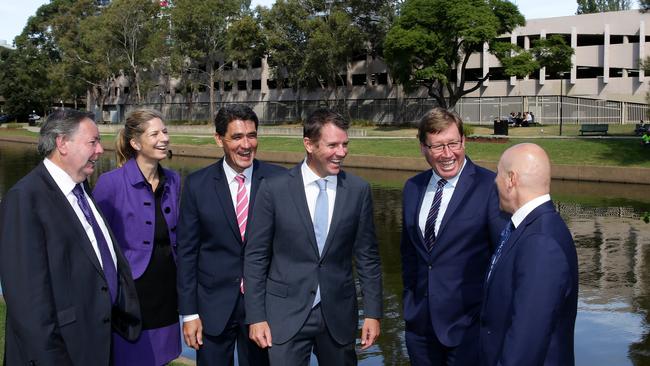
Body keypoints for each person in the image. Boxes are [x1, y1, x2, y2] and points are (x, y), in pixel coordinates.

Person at [0, 109, 141, 365]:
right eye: (93, 142)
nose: (100, 150)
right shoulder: (25, 198)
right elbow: (28, 303)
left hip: (94, 342)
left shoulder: (81, 187)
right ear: (62, 143)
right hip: (60, 352)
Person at [244, 109, 383, 365]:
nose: (341, 152)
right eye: (332, 145)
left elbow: (368, 257)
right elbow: (255, 258)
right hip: (284, 315)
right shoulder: (273, 189)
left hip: (338, 315)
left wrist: (373, 314)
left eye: (345, 144)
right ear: (309, 144)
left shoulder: (358, 190)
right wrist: (256, 316)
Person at [177, 104, 284, 365]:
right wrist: (189, 314)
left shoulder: (280, 180)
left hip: (264, 309)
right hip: (212, 308)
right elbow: (187, 253)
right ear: (219, 139)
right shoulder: (196, 185)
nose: (246, 145)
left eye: (252, 135)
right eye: (237, 137)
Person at [400, 107, 507, 365]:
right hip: (420, 328)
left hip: (469, 329)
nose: (448, 154)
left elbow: (503, 259)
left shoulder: (490, 186)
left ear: (463, 141)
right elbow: (409, 254)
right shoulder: (412, 188)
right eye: (437, 146)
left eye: (453, 143)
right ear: (423, 148)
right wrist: (410, 303)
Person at [93, 109, 181, 365]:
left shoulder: (174, 181)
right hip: (130, 297)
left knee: (162, 359)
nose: (164, 138)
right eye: (155, 133)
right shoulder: (110, 184)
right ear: (135, 143)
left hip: (166, 294)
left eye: (165, 131)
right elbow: (96, 245)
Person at [480, 143, 578, 366]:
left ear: (511, 180)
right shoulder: (530, 229)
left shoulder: (541, 242)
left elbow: (525, 345)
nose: (494, 181)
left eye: (498, 173)